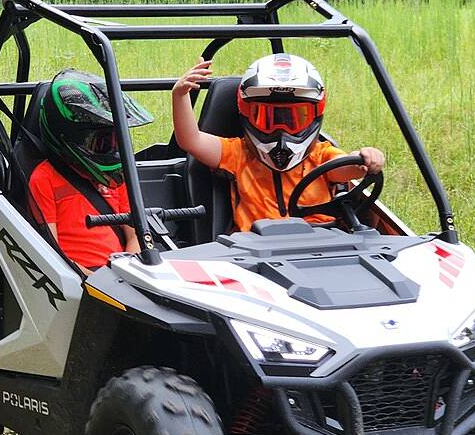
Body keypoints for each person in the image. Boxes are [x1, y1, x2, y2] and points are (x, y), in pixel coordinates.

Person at [172, 52, 385, 231]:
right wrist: (180, 95)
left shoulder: (322, 156)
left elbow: (350, 168)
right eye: (266, 118)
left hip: (321, 243)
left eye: (294, 119)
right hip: (254, 249)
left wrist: (367, 158)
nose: (280, 129)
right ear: (246, 115)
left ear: (314, 117)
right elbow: (191, 140)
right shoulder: (238, 153)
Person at [29, 69, 153, 273]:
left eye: (116, 141)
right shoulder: (44, 179)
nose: (112, 150)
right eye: (102, 143)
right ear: (71, 138)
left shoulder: (117, 178)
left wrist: (127, 271)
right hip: (78, 279)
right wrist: (97, 281)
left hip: (121, 273)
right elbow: (50, 253)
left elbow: (136, 235)